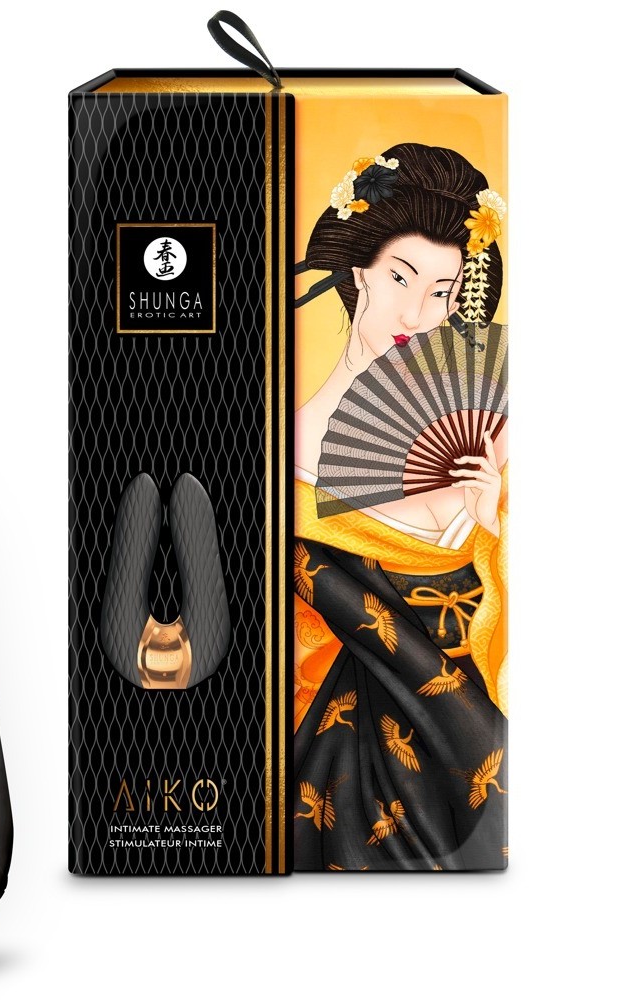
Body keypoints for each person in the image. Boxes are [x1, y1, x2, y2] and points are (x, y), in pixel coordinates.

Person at [292, 142, 507, 871]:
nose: (419, 312)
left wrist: (492, 526)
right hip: (349, 744)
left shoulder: (486, 436)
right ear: (360, 271)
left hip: (484, 732)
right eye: (401, 276)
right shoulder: (286, 451)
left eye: (443, 291)